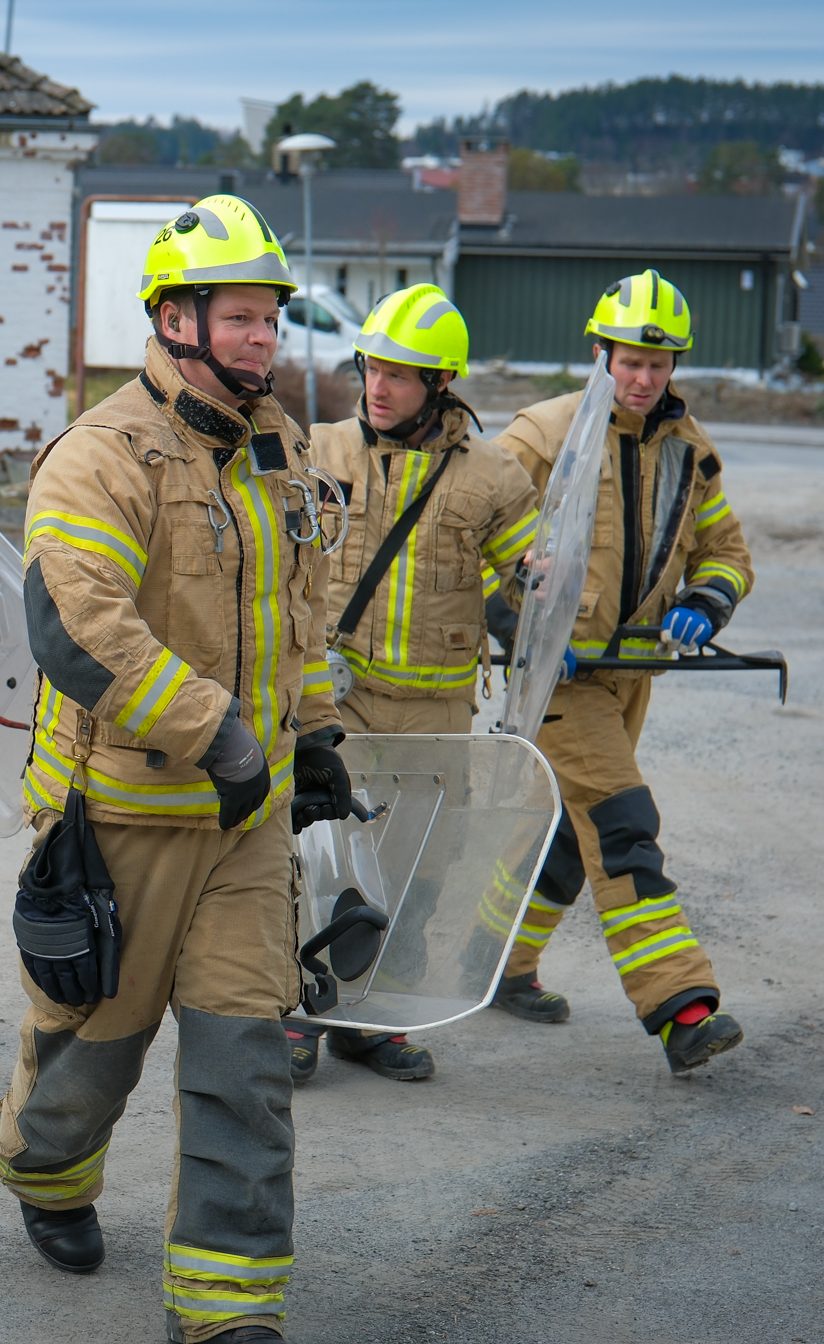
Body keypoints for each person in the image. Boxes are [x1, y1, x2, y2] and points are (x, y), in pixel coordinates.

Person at [0, 195, 357, 1344]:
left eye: (269, 319)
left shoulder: (277, 445)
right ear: (172, 317)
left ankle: (227, 1304)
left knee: (246, 1059)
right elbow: (75, 632)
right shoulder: (101, 453)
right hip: (124, 814)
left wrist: (316, 732)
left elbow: (301, 616)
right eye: (240, 318)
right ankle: (41, 1174)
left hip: (243, 829)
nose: (262, 339)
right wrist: (218, 735)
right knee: (91, 1049)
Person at [488, 269, 751, 1074]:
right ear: (598, 351)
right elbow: (467, 545)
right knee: (625, 825)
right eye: (628, 359)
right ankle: (681, 1007)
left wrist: (705, 604)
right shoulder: (542, 436)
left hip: (628, 673)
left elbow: (726, 553)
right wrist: (525, 627)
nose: (641, 378)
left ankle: (497, 959)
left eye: (658, 363)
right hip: (558, 679)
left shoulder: (689, 449)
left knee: (568, 837)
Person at [285, 284, 539, 1087]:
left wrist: (537, 587)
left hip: (434, 710)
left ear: (442, 385)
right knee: (316, 857)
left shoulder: (496, 477)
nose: (378, 386)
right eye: (371, 367)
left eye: (399, 374)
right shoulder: (317, 451)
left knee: (420, 869)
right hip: (336, 700)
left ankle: (378, 1019)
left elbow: (531, 583)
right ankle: (299, 1010)